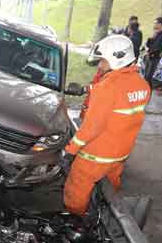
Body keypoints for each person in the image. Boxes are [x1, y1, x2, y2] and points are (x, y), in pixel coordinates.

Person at [63, 35, 151, 216]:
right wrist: (86, 89)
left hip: (96, 155)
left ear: (117, 60)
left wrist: (70, 150)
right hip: (119, 155)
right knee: (110, 189)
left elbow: (92, 127)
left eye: (103, 60)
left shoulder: (108, 87)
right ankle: (104, 214)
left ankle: (75, 221)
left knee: (76, 189)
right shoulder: (142, 85)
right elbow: (118, 93)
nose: (99, 65)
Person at [143, 17, 162, 86]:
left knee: (148, 77)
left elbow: (159, 47)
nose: (154, 25)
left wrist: (151, 53)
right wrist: (151, 38)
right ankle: (144, 90)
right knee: (145, 76)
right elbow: (149, 45)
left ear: (160, 24)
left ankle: (148, 92)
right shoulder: (156, 33)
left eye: (155, 23)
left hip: (154, 57)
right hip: (149, 56)